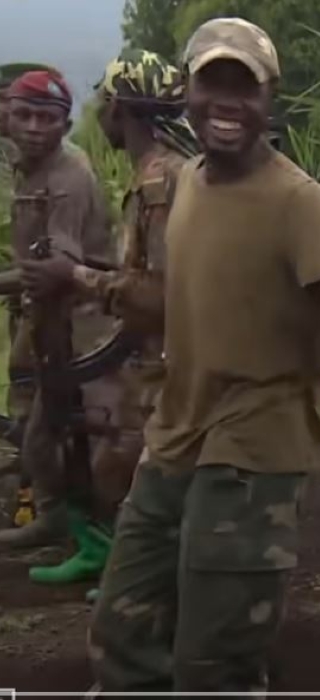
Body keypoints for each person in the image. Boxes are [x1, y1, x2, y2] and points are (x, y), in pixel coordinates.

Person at [87, 18, 320, 693]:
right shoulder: (187, 187)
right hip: (176, 437)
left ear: (270, 99)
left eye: (246, 86)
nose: (227, 102)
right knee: (123, 631)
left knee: (216, 661)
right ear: (187, 92)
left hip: (256, 450)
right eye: (212, 82)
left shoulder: (300, 204)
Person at [14, 51, 199, 589]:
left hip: (172, 355)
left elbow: (164, 293)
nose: (99, 113)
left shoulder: (160, 181)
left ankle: (154, 586)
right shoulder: (155, 173)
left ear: (120, 110)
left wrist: (76, 278)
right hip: (159, 350)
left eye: (104, 102)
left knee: (144, 467)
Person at [0, 70, 114, 558]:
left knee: (83, 431)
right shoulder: (29, 166)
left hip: (86, 321)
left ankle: (89, 532)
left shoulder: (67, 177)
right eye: (23, 114)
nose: (32, 126)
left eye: (45, 118)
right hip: (48, 316)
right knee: (41, 427)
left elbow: (59, 266)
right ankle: (56, 519)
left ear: (64, 126)